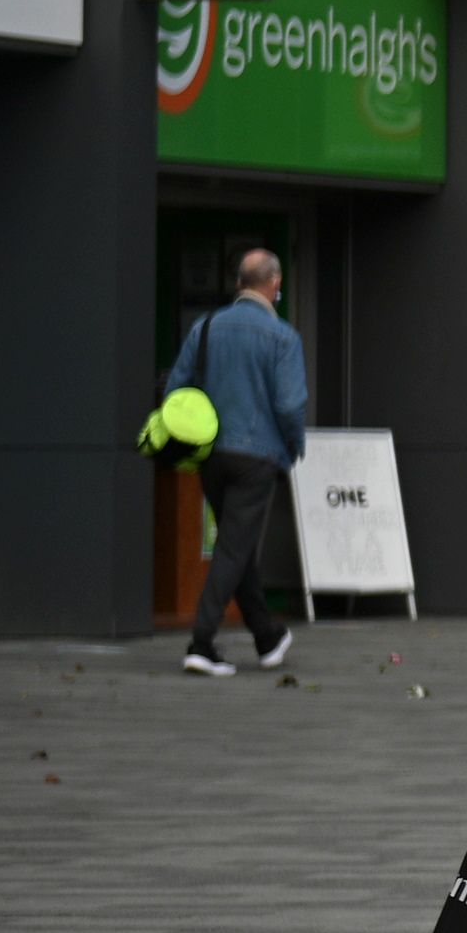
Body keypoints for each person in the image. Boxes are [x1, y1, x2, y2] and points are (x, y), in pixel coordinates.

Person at [168, 247, 305, 678]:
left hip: (211, 455)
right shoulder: (282, 337)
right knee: (233, 548)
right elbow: (289, 404)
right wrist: (294, 446)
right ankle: (201, 642)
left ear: (238, 283)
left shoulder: (205, 328)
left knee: (236, 544)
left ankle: (267, 636)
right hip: (257, 455)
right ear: (275, 284)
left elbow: (177, 387)